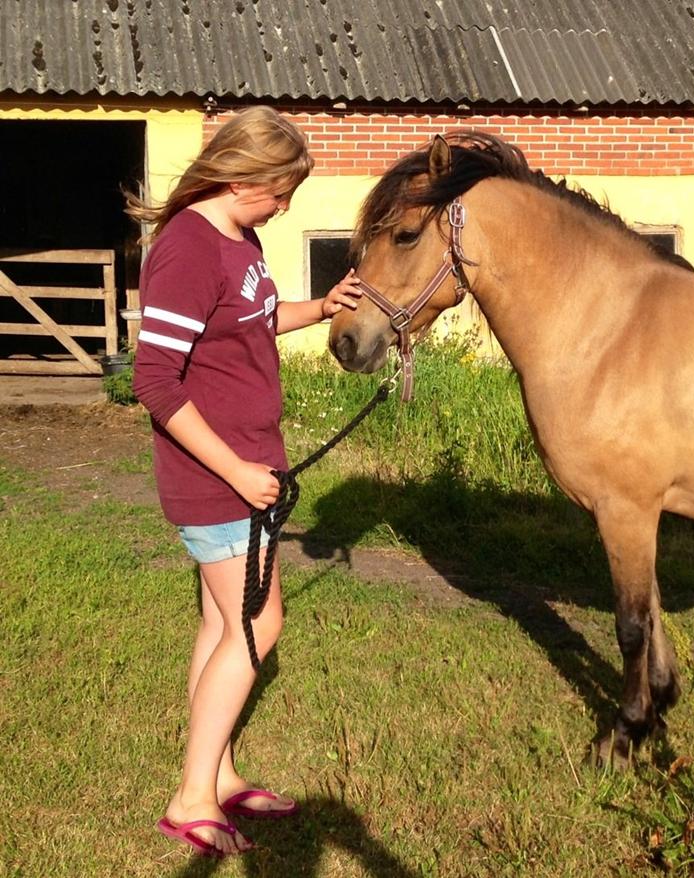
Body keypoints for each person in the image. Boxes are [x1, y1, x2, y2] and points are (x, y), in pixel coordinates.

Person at [127, 105, 362, 858]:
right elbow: (156, 382)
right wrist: (233, 469)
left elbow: (252, 321)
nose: (286, 206)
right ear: (236, 177)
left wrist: (321, 307)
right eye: (279, 192)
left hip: (246, 463)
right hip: (218, 476)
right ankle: (191, 796)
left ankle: (218, 772)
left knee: (222, 624)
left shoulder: (238, 236)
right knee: (260, 625)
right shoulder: (188, 250)